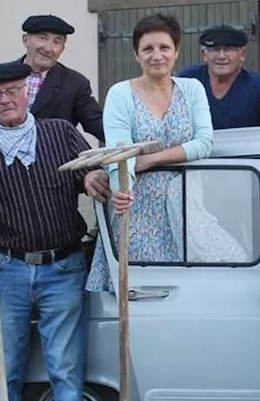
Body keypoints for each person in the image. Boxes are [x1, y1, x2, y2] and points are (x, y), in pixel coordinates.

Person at [0, 61, 111, 401]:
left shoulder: (58, 132)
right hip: (9, 268)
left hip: (63, 267)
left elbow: (87, 172)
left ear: (28, 92)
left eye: (13, 91)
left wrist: (94, 179)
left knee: (66, 372)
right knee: (4, 374)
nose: (6, 100)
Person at [85, 14, 244, 281]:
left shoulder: (192, 89)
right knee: (143, 291)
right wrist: (121, 190)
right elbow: (118, 155)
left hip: (189, 208)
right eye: (148, 49)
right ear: (137, 55)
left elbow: (204, 143)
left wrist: (151, 160)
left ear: (176, 52)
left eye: (164, 48)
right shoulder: (120, 94)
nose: (156, 55)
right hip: (138, 211)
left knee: (212, 279)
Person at [0, 14, 105, 141]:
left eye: (57, 42)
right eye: (42, 38)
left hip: (53, 162)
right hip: (2, 161)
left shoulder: (75, 83)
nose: (48, 48)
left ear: (63, 48)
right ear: (25, 40)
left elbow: (96, 123)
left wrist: (123, 139)